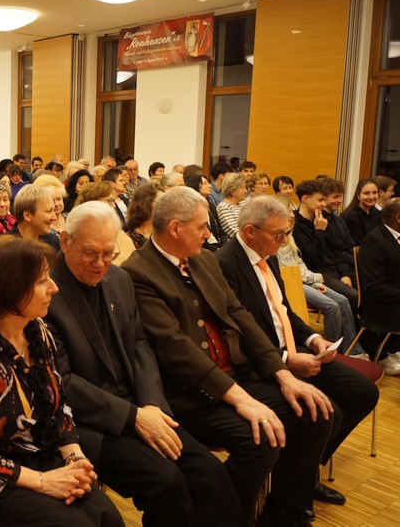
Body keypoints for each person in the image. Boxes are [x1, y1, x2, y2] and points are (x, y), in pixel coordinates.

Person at [122, 186, 334, 524]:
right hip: (191, 393)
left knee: (316, 413)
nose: (209, 234)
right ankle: (227, 518)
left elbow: (239, 316)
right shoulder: (137, 272)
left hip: (235, 375)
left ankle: (283, 515)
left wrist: (283, 376)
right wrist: (243, 400)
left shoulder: (204, 260)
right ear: (175, 228)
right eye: (202, 226)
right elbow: (177, 349)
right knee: (260, 441)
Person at [46, 202, 247, 527]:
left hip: (142, 407)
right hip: (90, 423)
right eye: (90, 253)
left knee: (210, 474)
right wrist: (134, 417)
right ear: (65, 241)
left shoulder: (119, 279)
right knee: (169, 484)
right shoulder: (46, 292)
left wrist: (152, 403)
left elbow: (140, 344)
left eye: (109, 253)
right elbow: (62, 382)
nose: (101, 263)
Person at [0, 236, 124, 527]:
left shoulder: (38, 331)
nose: (54, 287)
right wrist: (44, 482)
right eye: (42, 281)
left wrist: (74, 457)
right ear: (10, 289)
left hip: (31, 450)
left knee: (108, 517)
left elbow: (58, 404)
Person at [217, 196, 378, 518]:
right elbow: (237, 332)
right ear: (250, 231)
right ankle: (292, 489)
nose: (284, 240)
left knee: (363, 392)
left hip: (292, 349)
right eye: (278, 234)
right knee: (325, 412)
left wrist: (314, 339)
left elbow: (284, 312)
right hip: (261, 362)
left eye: (286, 233)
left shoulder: (269, 254)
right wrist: (286, 359)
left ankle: (302, 470)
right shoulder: (225, 264)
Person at [274, 196, 364, 357]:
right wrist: (315, 279)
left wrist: (314, 280)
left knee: (343, 301)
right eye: (290, 210)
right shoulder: (275, 238)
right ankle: (332, 352)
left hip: (305, 279)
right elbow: (286, 272)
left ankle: (352, 349)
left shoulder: (289, 235)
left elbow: (298, 262)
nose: (293, 214)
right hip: (292, 283)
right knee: (331, 307)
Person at [292, 180, 358, 313]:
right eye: (320, 200)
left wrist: (345, 274)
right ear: (305, 199)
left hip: (334, 270)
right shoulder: (296, 224)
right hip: (316, 273)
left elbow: (337, 251)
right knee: (353, 296)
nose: (323, 204)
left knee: (367, 289)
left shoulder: (321, 220)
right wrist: (319, 231)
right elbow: (312, 259)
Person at [358, 198, 400, 365]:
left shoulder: (395, 236)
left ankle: (394, 348)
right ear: (398, 218)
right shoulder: (374, 241)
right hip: (382, 306)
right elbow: (374, 288)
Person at [74, 182, 135, 266]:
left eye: (113, 201)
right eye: (109, 201)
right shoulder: (81, 236)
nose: (114, 206)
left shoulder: (120, 234)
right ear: (92, 204)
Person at [8, 184, 60, 251]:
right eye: (49, 211)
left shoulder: (52, 241)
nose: (55, 218)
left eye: (53, 210)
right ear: (27, 215)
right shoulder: (6, 248)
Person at [185, 174, 224, 251]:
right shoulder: (191, 208)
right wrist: (216, 249)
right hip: (203, 247)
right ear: (195, 186)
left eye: (208, 183)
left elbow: (220, 231)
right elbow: (196, 236)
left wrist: (223, 247)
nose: (210, 186)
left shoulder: (211, 206)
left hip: (216, 244)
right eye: (205, 183)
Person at [342, 178, 381, 245]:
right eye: (366, 193)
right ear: (358, 196)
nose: (371, 197)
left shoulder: (377, 213)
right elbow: (359, 243)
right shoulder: (351, 217)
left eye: (374, 193)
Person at [125, 183, 160, 250]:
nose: (164, 205)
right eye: (159, 201)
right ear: (145, 204)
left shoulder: (166, 232)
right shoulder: (129, 238)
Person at [216, 172, 249, 242]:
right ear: (232, 191)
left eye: (245, 187)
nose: (246, 191)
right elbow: (234, 233)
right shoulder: (224, 207)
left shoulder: (242, 204)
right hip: (237, 244)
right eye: (242, 188)